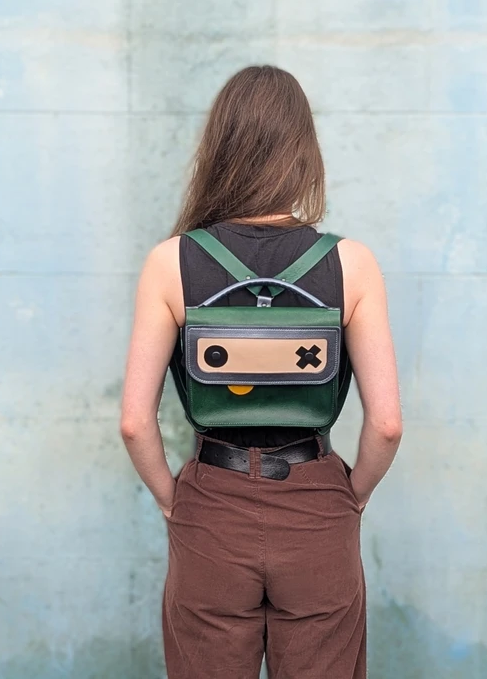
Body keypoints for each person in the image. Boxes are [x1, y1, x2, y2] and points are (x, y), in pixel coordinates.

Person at [120, 65, 402, 679]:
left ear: (219, 149)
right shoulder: (352, 264)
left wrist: (177, 502)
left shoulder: (170, 263)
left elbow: (135, 424)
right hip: (317, 503)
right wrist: (347, 497)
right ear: (304, 154)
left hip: (211, 504)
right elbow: (385, 425)